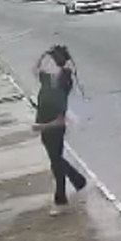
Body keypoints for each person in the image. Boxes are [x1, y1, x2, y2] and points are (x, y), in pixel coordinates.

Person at [32, 45, 87, 215]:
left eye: (51, 62)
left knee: (56, 162)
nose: (47, 65)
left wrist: (41, 126)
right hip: (44, 128)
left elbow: (60, 120)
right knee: (56, 160)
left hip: (54, 129)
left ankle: (61, 199)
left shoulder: (61, 88)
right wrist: (44, 53)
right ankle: (78, 180)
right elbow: (35, 69)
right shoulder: (48, 81)